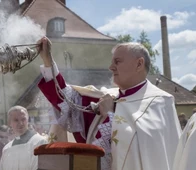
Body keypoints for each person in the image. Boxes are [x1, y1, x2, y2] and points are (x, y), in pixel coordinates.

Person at [37, 37, 181, 170]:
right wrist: (48, 61)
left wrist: (111, 113)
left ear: (139, 64)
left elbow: (148, 148)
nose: (111, 67)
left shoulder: (160, 101)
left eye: (117, 61)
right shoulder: (107, 96)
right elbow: (67, 100)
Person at [0, 106, 48, 170]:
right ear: (10, 123)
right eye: (16, 120)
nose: (21, 123)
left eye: (23, 119)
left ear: (28, 120)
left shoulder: (40, 142)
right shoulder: (7, 149)